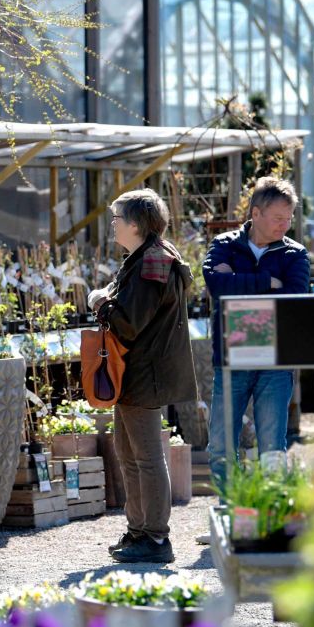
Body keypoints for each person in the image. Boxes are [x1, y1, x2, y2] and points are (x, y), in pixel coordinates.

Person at [87, 189, 196, 564]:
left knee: (146, 457)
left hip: (144, 373)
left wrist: (101, 302)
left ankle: (155, 537)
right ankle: (139, 531)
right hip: (136, 372)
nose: (112, 224)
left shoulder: (153, 261)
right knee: (129, 453)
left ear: (135, 223)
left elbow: (130, 324)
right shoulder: (147, 256)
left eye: (117, 218)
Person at [202, 177, 309, 492]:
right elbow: (216, 287)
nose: (285, 225)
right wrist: (268, 282)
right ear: (256, 213)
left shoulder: (295, 254)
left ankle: (269, 519)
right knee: (220, 445)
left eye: (289, 218)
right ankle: (229, 515)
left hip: (276, 361)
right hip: (231, 358)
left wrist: (241, 281)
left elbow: (294, 297)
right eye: (278, 218)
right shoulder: (223, 245)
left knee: (272, 447)